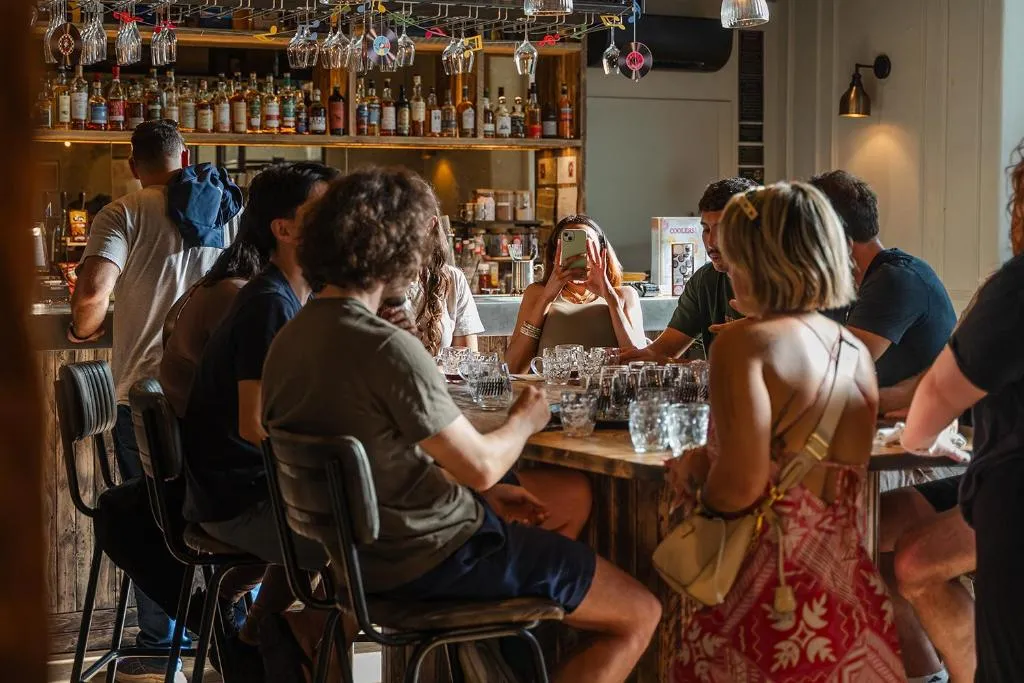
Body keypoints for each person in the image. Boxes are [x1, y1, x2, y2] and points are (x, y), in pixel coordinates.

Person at [259, 167, 661, 683]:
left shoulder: (290, 339)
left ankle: (493, 666)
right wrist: (525, 420)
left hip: (361, 561)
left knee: (560, 500)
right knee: (639, 612)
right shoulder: (385, 348)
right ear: (398, 251)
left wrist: (480, 497)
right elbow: (482, 467)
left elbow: (379, 460)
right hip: (435, 560)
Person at [667, 182, 904, 681]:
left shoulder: (744, 345)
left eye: (733, 250)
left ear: (757, 259)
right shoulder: (851, 352)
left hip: (770, 593)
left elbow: (741, 485)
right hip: (847, 595)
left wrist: (694, 475)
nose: (727, 263)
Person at [69, 120, 242, 682]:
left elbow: (92, 294)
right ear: (185, 156)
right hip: (213, 394)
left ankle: (161, 645)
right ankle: (231, 632)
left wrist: (81, 330)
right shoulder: (227, 209)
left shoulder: (123, 212)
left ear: (132, 162)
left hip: (146, 396)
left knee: (153, 518)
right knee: (221, 513)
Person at [382, 206, 594, 541]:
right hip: (425, 503)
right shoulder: (379, 315)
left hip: (425, 470)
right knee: (573, 494)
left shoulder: (448, 281)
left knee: (565, 493)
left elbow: (473, 367)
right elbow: (480, 469)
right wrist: (523, 422)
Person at [900, 141, 1024, 683]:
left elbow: (935, 396)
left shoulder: (1016, 289)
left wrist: (919, 440)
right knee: (907, 546)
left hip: (1013, 500)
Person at [808, 170, 956, 415]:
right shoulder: (846, 284)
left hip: (918, 426)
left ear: (838, 241)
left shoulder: (895, 279)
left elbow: (838, 368)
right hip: (878, 421)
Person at [621, 177, 757, 364]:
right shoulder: (704, 280)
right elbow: (661, 352)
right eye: (706, 229)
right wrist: (625, 358)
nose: (711, 242)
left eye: (722, 230)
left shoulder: (783, 284)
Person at [505, 215, 645, 373]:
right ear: (555, 254)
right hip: (551, 387)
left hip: (604, 387)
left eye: (588, 245)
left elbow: (639, 364)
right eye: (571, 246)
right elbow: (513, 368)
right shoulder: (537, 293)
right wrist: (546, 298)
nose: (580, 254)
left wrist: (610, 296)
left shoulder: (625, 295)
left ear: (602, 251)